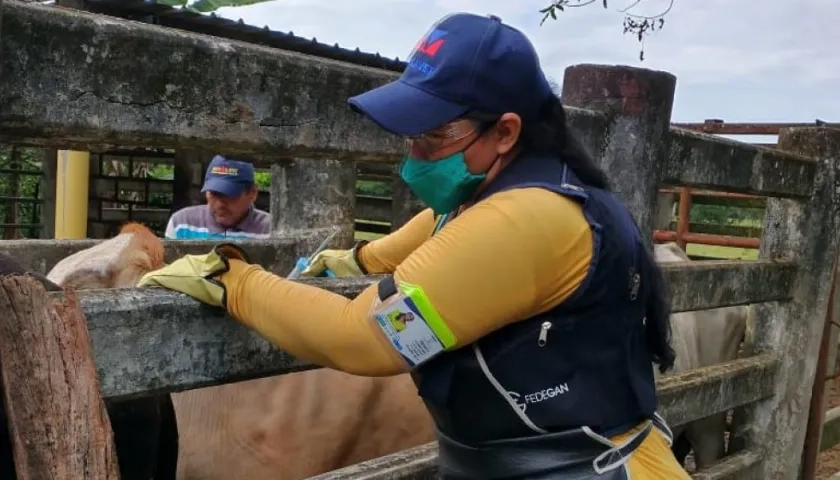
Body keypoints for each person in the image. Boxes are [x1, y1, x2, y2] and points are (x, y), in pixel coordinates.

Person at [138, 12, 691, 479]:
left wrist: (231, 281)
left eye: (433, 136)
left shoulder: (530, 221)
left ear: (505, 132)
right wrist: (349, 262)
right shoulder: (516, 195)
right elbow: (415, 239)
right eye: (410, 135)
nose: (415, 154)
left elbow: (364, 337)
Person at [164, 155, 270, 240]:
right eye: (213, 194)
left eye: (229, 194)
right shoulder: (181, 223)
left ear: (252, 193)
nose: (219, 204)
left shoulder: (271, 231)